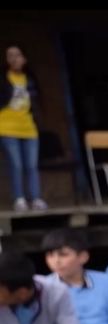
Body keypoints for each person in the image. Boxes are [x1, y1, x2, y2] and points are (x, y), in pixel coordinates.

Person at [1, 46, 45, 211]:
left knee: (32, 165)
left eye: (17, 55)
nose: (14, 59)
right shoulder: (3, 78)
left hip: (28, 128)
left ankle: (36, 198)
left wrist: (38, 121)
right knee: (16, 165)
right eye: (10, 56)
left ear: (24, 59)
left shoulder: (30, 79)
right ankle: (19, 199)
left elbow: (36, 103)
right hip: (7, 127)